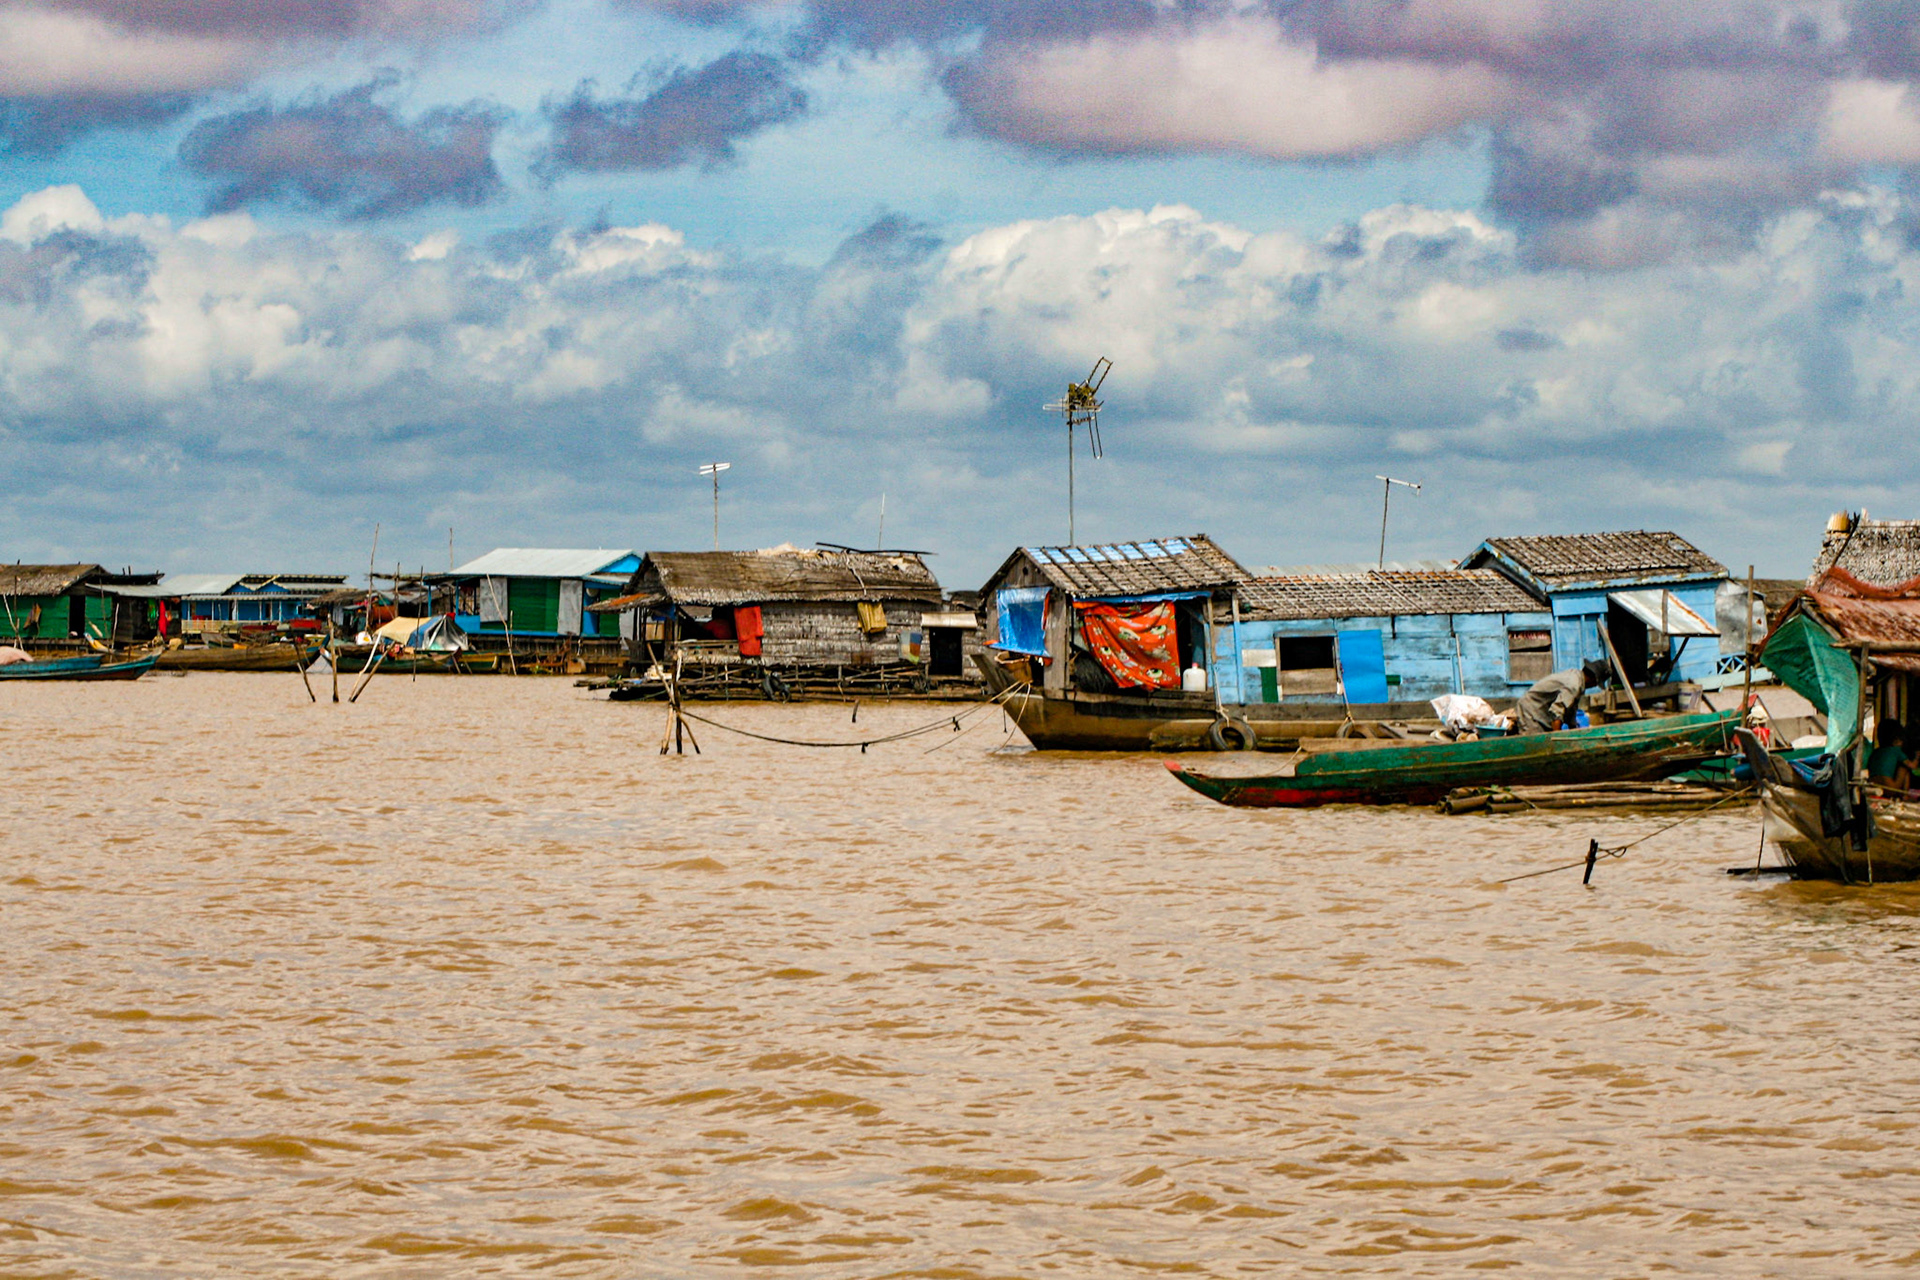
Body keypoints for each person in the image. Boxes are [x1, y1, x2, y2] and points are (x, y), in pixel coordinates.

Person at [1514, 659, 1612, 735]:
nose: (1594, 686)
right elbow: (1556, 711)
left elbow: (1570, 711)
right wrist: (1558, 737)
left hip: (1540, 712)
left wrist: (1574, 731)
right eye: (1596, 683)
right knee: (1537, 745)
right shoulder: (1574, 684)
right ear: (1593, 679)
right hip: (1530, 710)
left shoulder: (1577, 678)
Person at [1867, 720, 1910, 790]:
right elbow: (1911, 765)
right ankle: (1905, 795)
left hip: (1873, 786)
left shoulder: (1875, 752)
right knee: (1904, 768)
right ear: (1896, 740)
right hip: (1890, 787)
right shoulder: (1896, 750)